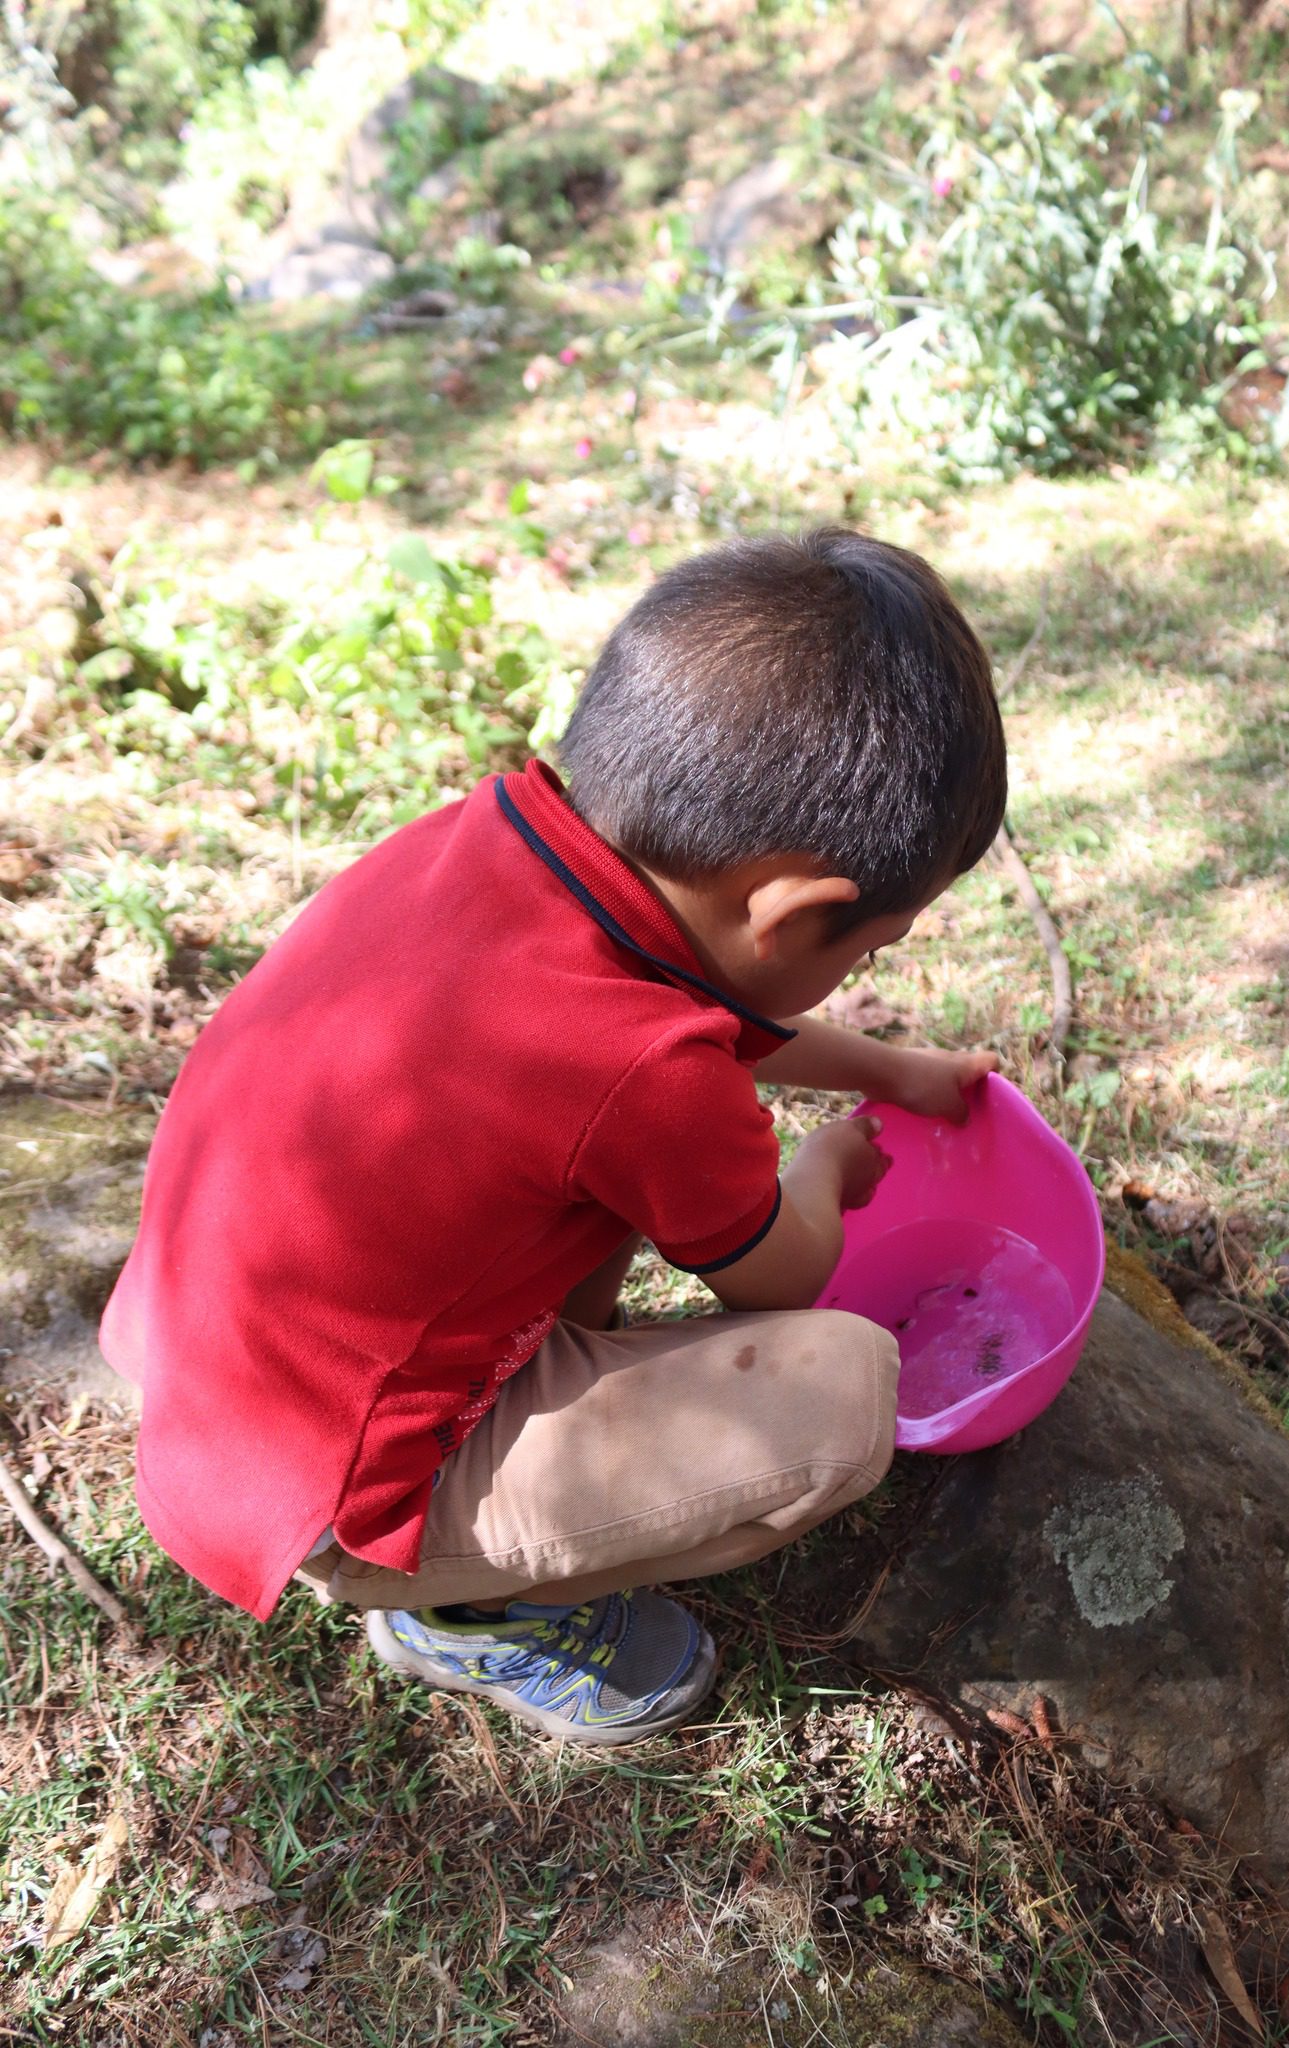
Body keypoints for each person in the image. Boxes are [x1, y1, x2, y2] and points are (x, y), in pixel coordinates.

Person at [100, 529, 1007, 1746]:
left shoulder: (491, 845)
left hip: (214, 1361)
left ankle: (470, 1524)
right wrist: (828, 1165)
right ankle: (467, 1608)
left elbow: (684, 1018)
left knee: (612, 1167)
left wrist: (889, 1067)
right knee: (841, 1398)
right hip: (335, 1486)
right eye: (868, 950)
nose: (863, 973)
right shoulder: (647, 1071)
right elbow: (783, 1267)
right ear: (790, 912)